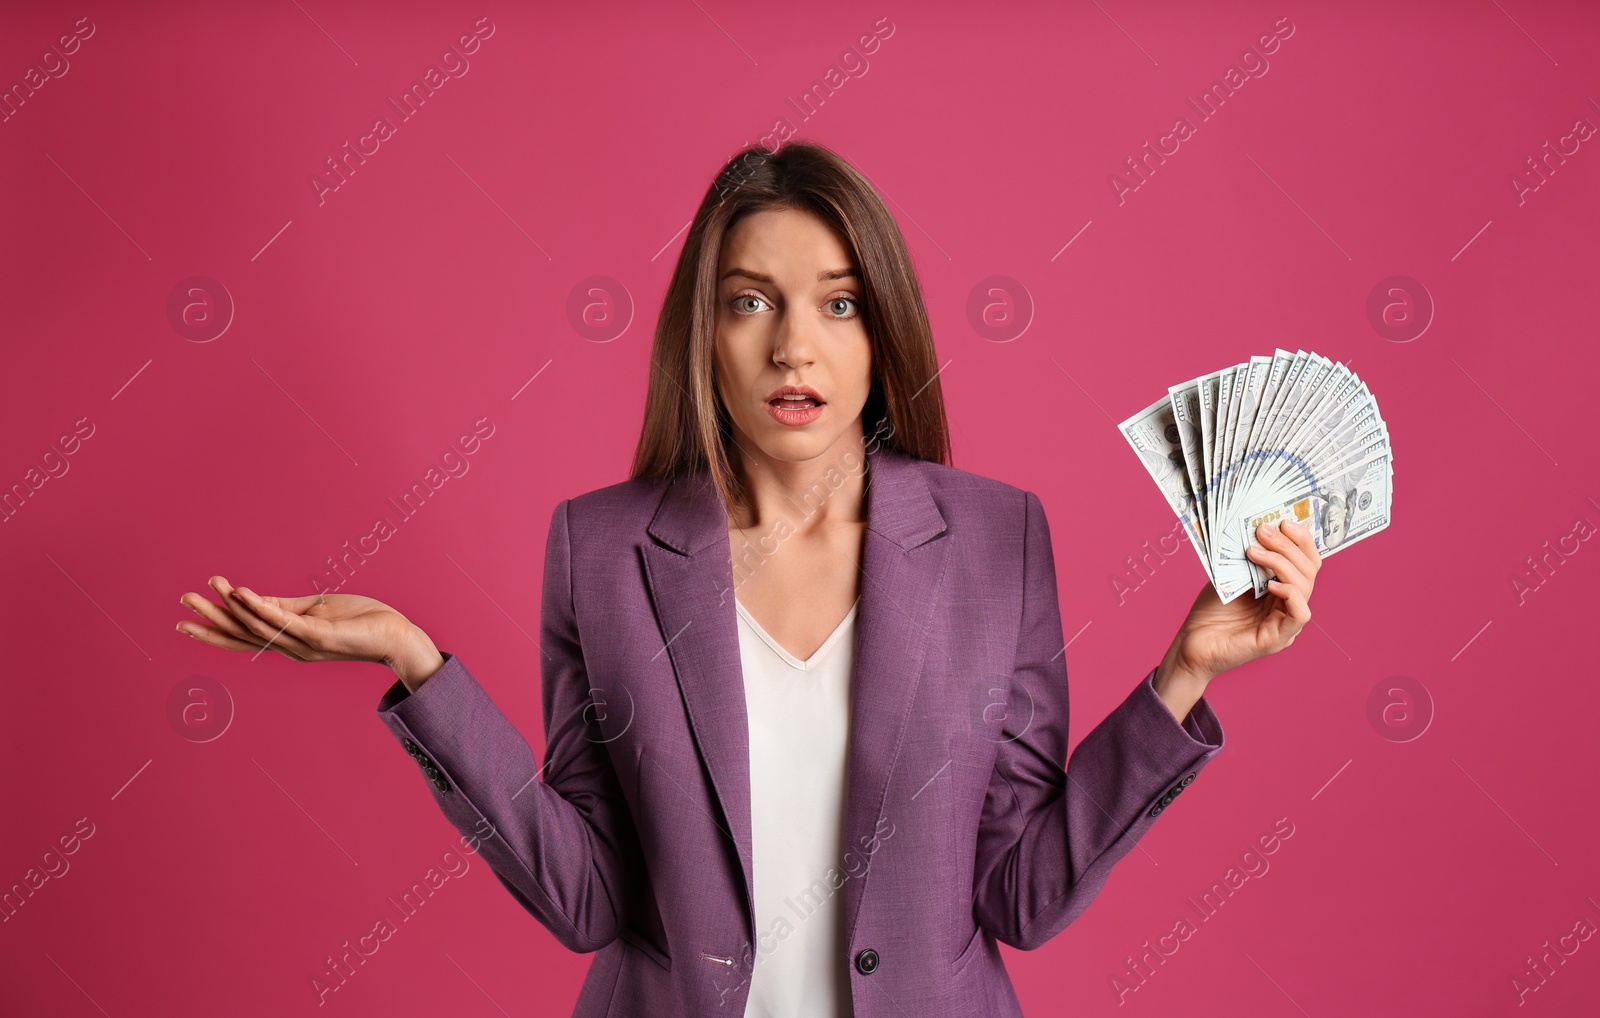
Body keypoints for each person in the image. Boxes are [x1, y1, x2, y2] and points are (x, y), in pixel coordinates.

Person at [175, 140, 1322, 1017]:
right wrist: (416, 666)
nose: (792, 348)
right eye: (749, 300)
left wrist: (1180, 676)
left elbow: (1019, 894)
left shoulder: (996, 540)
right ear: (703, 332)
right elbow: (587, 902)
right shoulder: (601, 549)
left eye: (837, 302)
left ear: (882, 330)